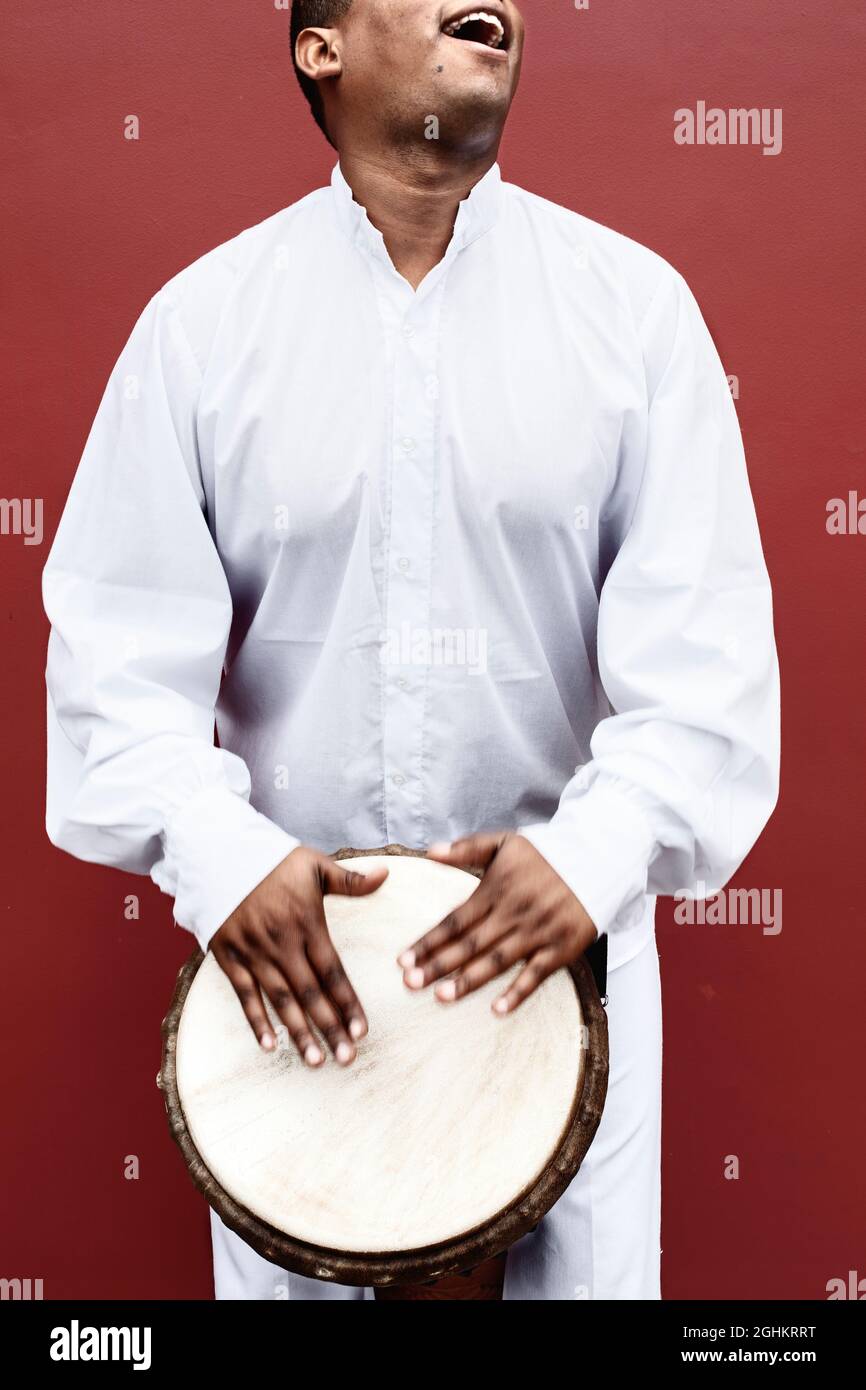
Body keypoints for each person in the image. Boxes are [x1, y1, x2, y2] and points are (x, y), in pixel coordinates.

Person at [42, 0, 780, 1300]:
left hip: (575, 958)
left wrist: (589, 856)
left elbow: (706, 663)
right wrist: (226, 859)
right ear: (317, 47)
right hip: (293, 976)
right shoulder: (201, 328)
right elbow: (114, 660)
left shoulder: (634, 311)